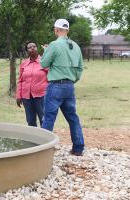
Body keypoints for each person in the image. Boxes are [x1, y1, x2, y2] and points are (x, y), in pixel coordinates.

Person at [40, 19, 85, 156]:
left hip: (55, 86)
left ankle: (44, 149)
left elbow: (43, 64)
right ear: (68, 30)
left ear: (56, 30)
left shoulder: (54, 45)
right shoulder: (76, 46)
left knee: (48, 118)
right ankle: (78, 148)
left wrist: (47, 51)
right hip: (69, 86)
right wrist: (72, 80)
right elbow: (79, 68)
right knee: (73, 117)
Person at [16, 42, 48, 127]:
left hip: (41, 96)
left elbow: (51, 76)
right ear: (27, 51)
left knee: (43, 119)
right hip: (26, 97)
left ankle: (45, 139)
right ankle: (33, 139)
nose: (32, 48)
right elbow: (20, 80)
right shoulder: (24, 63)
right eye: (30, 47)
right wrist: (18, 95)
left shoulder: (44, 61)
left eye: (34, 46)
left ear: (37, 49)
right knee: (30, 120)